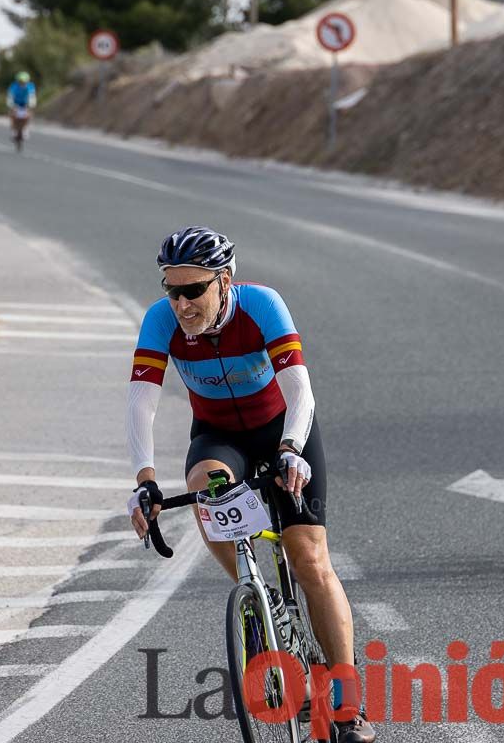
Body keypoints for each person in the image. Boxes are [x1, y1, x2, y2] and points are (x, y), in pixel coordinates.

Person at [125, 227, 376, 743]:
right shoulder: (160, 321)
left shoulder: (262, 305)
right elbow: (140, 402)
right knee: (204, 487)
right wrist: (145, 480)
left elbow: (300, 390)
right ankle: (257, 601)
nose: (181, 303)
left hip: (282, 429)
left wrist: (290, 449)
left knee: (309, 559)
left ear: (224, 281)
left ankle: (347, 708)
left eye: (193, 290)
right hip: (219, 436)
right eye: (172, 290)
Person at [5, 71, 36, 146]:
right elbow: (10, 96)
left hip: (25, 104)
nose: (22, 83)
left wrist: (31, 105)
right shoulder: (14, 86)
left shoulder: (30, 86)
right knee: (12, 115)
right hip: (16, 104)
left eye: (24, 82)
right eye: (20, 82)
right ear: (18, 81)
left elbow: (32, 96)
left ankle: (25, 129)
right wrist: (11, 105)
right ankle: (14, 131)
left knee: (29, 115)